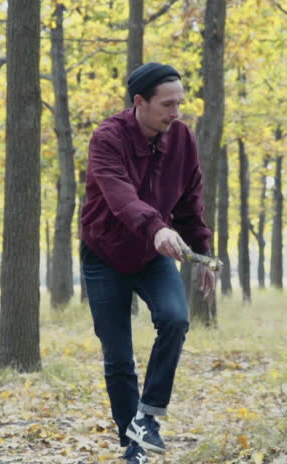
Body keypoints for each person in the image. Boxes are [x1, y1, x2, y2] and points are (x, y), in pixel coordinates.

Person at [80, 62, 216, 463]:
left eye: (179, 103)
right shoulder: (107, 137)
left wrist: (203, 252)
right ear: (139, 102)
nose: (176, 112)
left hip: (152, 254)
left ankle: (148, 417)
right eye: (167, 104)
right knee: (119, 358)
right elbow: (120, 195)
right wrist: (156, 227)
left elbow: (190, 203)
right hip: (104, 254)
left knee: (175, 319)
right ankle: (133, 448)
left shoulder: (183, 138)